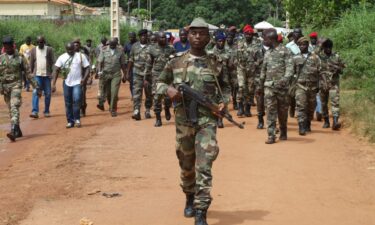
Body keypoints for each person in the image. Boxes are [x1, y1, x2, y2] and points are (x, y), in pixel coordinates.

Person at [156, 17, 230, 225]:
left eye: (202, 33)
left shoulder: (215, 62)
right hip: (184, 122)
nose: (198, 37)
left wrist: (224, 103)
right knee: (186, 164)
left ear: (208, 37)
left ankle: (201, 210)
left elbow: (225, 87)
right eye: (194, 33)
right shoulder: (175, 61)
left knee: (205, 164)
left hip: (207, 121)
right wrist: (169, 90)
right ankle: (189, 196)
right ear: (188, 36)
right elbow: (159, 83)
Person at [0, 36, 40, 141]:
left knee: (14, 107)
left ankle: (13, 130)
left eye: (9, 46)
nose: (7, 48)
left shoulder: (20, 58)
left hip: (16, 86)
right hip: (5, 88)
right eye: (5, 46)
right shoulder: (1, 58)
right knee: (11, 110)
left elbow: (28, 74)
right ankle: (18, 130)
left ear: (13, 45)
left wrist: (36, 87)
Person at [260, 29, 294, 144]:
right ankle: (271, 135)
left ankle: (283, 130)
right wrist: (260, 85)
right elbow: (263, 70)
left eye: (265, 39)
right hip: (269, 87)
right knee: (270, 111)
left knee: (283, 111)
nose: (264, 41)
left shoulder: (285, 51)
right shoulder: (267, 53)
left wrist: (285, 79)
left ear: (271, 39)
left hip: (282, 88)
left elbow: (290, 67)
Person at [52, 42, 90, 128]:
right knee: (68, 103)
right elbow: (56, 70)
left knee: (77, 100)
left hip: (77, 82)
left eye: (72, 49)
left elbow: (87, 67)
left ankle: (77, 119)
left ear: (74, 48)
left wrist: (84, 79)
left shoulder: (80, 56)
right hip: (66, 83)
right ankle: (70, 121)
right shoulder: (62, 57)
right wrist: (53, 84)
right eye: (68, 50)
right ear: (66, 49)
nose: (70, 51)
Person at [145, 31, 175, 127]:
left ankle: (167, 108)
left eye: (164, 38)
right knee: (157, 97)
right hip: (156, 76)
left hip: (168, 76)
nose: (163, 39)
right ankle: (158, 119)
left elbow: (175, 62)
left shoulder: (171, 48)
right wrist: (146, 77)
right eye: (161, 38)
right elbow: (149, 64)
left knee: (168, 97)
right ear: (157, 38)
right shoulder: (152, 49)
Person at [292, 37, 321, 135]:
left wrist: (319, 85)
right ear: (298, 46)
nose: (302, 46)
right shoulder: (295, 58)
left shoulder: (315, 58)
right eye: (300, 45)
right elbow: (291, 72)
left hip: (312, 87)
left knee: (311, 106)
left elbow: (320, 72)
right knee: (301, 106)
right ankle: (301, 126)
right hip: (300, 86)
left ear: (307, 45)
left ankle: (308, 123)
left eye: (304, 44)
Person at [97, 38, 127, 117]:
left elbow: (123, 64)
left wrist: (125, 75)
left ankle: (113, 109)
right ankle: (110, 104)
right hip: (106, 74)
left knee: (114, 92)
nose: (112, 46)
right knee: (108, 93)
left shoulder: (120, 52)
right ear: (109, 44)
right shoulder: (104, 50)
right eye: (111, 45)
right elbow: (100, 62)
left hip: (116, 74)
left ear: (116, 44)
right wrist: (99, 71)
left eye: (114, 45)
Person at [319, 39, 345, 130]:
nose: (329, 49)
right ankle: (326, 121)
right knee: (323, 104)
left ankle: (335, 122)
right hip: (322, 84)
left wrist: (338, 69)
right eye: (327, 47)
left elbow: (342, 69)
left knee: (335, 102)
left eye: (330, 47)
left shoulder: (336, 56)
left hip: (334, 84)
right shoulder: (320, 57)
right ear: (323, 48)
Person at [127, 29, 152, 120]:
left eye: (145, 35)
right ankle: (136, 110)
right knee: (136, 92)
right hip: (137, 73)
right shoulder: (134, 46)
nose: (143, 37)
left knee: (148, 93)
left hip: (148, 74)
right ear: (139, 37)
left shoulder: (151, 47)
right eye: (141, 36)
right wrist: (127, 72)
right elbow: (131, 59)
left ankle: (148, 109)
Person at [207, 31, 230, 128]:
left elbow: (231, 63)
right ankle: (216, 118)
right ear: (215, 41)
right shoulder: (211, 52)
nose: (220, 43)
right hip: (214, 79)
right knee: (214, 99)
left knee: (224, 99)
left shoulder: (228, 51)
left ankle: (220, 119)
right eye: (219, 41)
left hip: (224, 79)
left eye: (222, 41)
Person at [236, 24, 259, 117]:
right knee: (241, 87)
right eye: (247, 34)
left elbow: (260, 58)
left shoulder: (257, 44)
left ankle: (248, 108)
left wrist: (255, 64)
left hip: (252, 70)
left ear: (252, 35)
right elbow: (235, 56)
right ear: (244, 34)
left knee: (250, 90)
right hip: (241, 69)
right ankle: (240, 107)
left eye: (250, 34)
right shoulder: (239, 43)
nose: (248, 35)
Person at [29, 36, 55, 118]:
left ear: (44, 42)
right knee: (35, 92)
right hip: (37, 75)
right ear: (36, 43)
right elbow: (31, 63)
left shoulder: (49, 49)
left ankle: (46, 111)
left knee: (47, 94)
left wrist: (53, 73)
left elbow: (53, 62)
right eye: (39, 42)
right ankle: (35, 111)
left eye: (42, 42)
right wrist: (31, 74)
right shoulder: (33, 50)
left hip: (47, 75)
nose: (40, 44)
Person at [254, 30, 270, 129]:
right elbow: (250, 64)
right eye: (266, 36)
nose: (268, 39)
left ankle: (271, 123)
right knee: (260, 101)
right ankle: (260, 120)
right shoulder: (256, 50)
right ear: (263, 37)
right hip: (258, 80)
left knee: (271, 102)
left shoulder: (275, 49)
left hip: (271, 80)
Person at [73, 39, 90, 117]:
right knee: (74, 96)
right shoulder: (70, 55)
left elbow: (87, 68)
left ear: (80, 46)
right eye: (74, 44)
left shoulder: (83, 56)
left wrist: (86, 78)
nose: (76, 46)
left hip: (82, 79)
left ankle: (83, 109)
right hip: (72, 80)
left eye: (77, 44)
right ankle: (77, 110)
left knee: (82, 96)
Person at [226, 33, 238, 110]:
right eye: (228, 37)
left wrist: (234, 62)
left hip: (234, 70)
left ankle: (235, 102)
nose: (229, 39)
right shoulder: (223, 46)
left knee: (235, 86)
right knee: (227, 87)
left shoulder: (236, 47)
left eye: (230, 37)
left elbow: (238, 56)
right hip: (225, 70)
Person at [124, 32, 137, 97]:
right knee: (131, 81)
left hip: (138, 64)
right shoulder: (127, 44)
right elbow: (123, 53)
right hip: (130, 64)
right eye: (130, 37)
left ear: (135, 37)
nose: (131, 38)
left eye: (132, 37)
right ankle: (133, 94)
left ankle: (137, 94)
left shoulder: (138, 44)